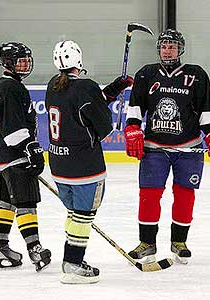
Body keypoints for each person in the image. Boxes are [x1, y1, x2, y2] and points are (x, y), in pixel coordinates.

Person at [124, 29, 210, 264]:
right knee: (149, 195)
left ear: (180, 49)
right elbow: (136, 108)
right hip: (154, 148)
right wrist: (132, 129)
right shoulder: (146, 74)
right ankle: (147, 243)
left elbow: (206, 111)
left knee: (184, 195)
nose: (167, 49)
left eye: (171, 46)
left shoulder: (196, 75)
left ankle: (179, 242)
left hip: (188, 149)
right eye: (163, 45)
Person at [46, 40, 133, 284]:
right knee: (83, 216)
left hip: (59, 165)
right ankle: (73, 264)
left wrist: (114, 88)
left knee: (74, 214)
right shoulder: (86, 87)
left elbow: (87, 102)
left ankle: (70, 259)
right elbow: (103, 126)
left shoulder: (53, 85)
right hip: (85, 166)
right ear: (79, 60)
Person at [0, 42, 51, 272]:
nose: (25, 64)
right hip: (16, 156)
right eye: (20, 61)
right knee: (26, 202)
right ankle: (35, 250)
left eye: (26, 60)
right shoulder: (11, 88)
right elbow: (13, 129)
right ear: (8, 63)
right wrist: (32, 149)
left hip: (5, 158)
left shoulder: (5, 85)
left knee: (6, 202)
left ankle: (0, 246)